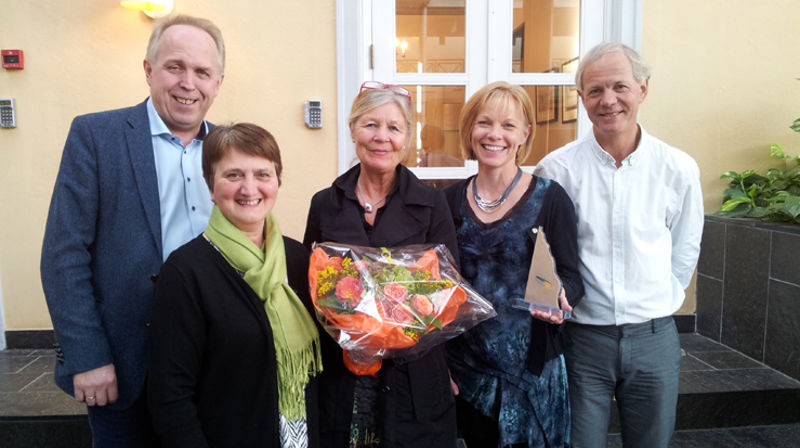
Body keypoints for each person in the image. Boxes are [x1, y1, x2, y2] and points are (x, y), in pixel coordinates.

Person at [39, 15, 225, 446]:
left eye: (202, 72)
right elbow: (63, 254)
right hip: (122, 369)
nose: (188, 83)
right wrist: (86, 356)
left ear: (217, 83)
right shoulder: (96, 136)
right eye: (175, 67)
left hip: (212, 367)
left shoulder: (228, 149)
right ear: (148, 70)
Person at [534, 42, 704, 448]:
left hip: (654, 338)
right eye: (595, 90)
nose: (608, 100)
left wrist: (660, 303)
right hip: (582, 341)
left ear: (643, 89)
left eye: (620, 87)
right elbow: (542, 255)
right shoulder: (556, 169)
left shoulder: (677, 168)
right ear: (581, 98)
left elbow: (685, 248)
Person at [303, 81, 459, 448]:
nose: (381, 137)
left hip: (413, 378)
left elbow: (447, 292)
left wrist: (384, 340)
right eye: (370, 124)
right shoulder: (325, 203)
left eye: (393, 128)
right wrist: (350, 333)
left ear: (406, 138)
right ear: (353, 128)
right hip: (342, 374)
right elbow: (311, 284)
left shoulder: (432, 205)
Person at [147, 123, 323, 447]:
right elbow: (169, 394)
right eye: (233, 175)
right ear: (210, 184)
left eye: (262, 174)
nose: (249, 188)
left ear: (278, 181)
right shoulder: (186, 272)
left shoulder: (299, 259)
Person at [443, 81, 584, 448]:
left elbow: (571, 275)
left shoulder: (551, 199)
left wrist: (561, 297)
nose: (495, 135)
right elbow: (437, 288)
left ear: (525, 133)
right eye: (484, 123)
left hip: (535, 373)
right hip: (469, 372)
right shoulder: (447, 202)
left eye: (508, 125)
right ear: (470, 130)